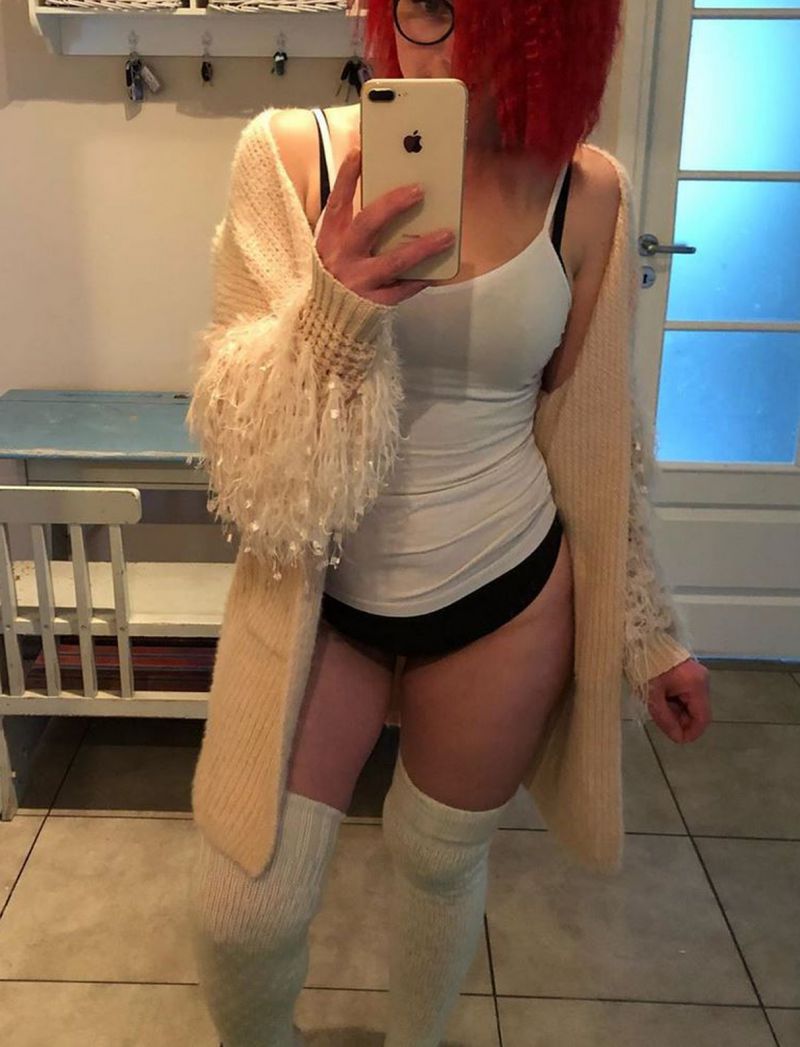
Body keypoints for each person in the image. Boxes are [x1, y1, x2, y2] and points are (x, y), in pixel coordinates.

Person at [185, 3, 713, 1045]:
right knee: (245, 912)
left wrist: (650, 635)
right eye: (424, 4)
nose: (448, 44)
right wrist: (334, 310)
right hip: (319, 595)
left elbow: (593, 436)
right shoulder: (288, 157)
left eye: (490, 12)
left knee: (438, 863)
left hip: (505, 596)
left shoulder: (586, 191)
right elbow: (245, 453)